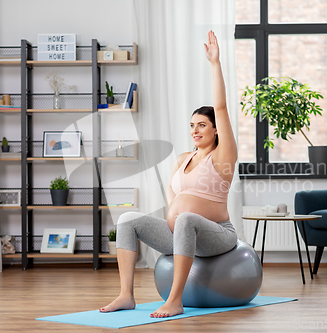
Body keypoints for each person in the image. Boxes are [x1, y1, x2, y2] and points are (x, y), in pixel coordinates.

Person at [99, 30, 238, 318]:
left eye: (202, 125)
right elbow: (173, 195)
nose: (195, 131)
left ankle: (175, 300)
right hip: (180, 235)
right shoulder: (182, 158)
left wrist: (215, 64)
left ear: (215, 129)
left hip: (217, 236)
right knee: (127, 220)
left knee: (186, 218)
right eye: (191, 125)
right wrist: (175, 215)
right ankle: (126, 295)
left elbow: (221, 107)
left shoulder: (223, 157)